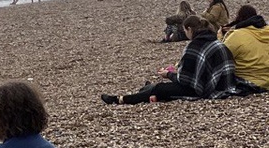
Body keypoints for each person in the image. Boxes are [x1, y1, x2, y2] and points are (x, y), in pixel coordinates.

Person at [101, 16, 238, 104]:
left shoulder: (195, 46)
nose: (186, 35)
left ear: (189, 29)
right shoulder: (215, 40)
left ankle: (120, 99)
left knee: (160, 88)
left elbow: (186, 80)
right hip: (226, 83)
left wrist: (168, 74)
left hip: (208, 89)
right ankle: (147, 89)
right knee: (158, 89)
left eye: (185, 31)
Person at [222, 5, 269, 91]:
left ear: (239, 18)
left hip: (249, 81)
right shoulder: (267, 31)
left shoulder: (237, 36)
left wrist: (221, 37)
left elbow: (222, 55)